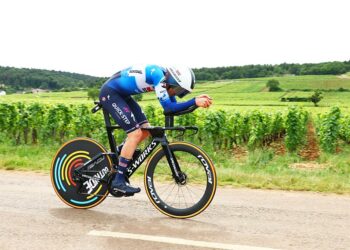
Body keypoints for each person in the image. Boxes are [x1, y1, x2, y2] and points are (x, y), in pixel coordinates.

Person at [99, 65, 212, 196]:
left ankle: (120, 154)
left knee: (146, 130)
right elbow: (169, 108)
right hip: (110, 93)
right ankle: (118, 181)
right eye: (179, 89)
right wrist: (194, 101)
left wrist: (195, 104)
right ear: (173, 81)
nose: (176, 93)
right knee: (135, 134)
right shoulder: (158, 76)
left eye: (181, 92)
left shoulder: (166, 80)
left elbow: (174, 109)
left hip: (122, 95)